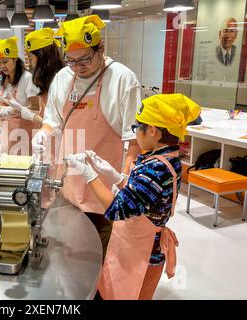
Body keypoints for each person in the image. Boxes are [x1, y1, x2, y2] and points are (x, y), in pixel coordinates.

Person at [66, 93, 201, 300]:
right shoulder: (165, 158)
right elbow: (139, 198)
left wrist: (89, 174)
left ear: (153, 131)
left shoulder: (155, 168)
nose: (136, 133)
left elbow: (118, 208)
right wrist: (114, 175)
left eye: (137, 127)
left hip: (143, 254)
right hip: (140, 246)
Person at [32, 15, 142, 260]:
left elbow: (133, 139)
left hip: (103, 191)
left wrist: (125, 185)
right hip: (68, 185)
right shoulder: (62, 78)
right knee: (70, 254)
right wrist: (43, 134)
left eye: (85, 59)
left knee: (97, 259)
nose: (78, 66)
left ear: (101, 48)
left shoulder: (123, 80)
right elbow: (53, 120)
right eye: (71, 61)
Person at [0, 36, 40, 156]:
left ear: (15, 59)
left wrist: (15, 109)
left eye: (5, 62)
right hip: (6, 130)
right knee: (7, 163)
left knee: (23, 164)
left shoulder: (27, 79)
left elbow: (36, 107)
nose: (2, 66)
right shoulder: (0, 80)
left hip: (25, 131)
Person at [24, 27, 65, 123]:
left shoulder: (59, 81)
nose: (30, 62)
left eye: (30, 58)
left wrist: (32, 116)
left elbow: (58, 123)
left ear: (42, 56)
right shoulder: (46, 80)